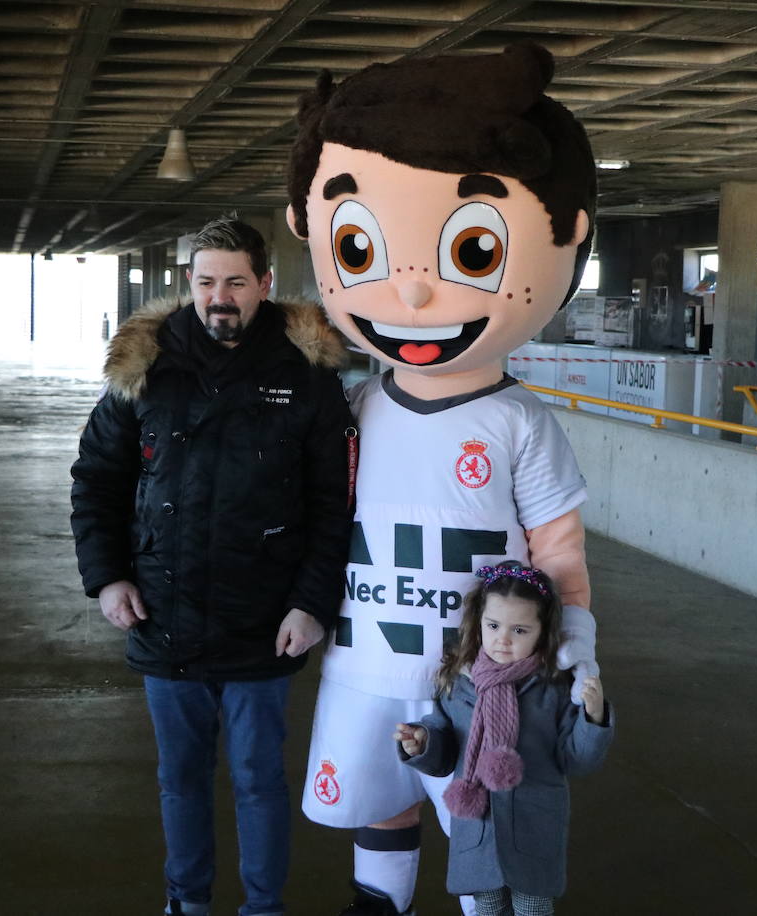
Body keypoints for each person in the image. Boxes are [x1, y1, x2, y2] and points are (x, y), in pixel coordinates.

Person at [284, 42, 602, 916]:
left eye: (468, 249)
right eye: (360, 245)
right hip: (363, 661)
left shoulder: (522, 421)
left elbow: (559, 548)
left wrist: (573, 646)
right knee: (376, 814)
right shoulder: (352, 405)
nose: (413, 296)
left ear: (569, 237)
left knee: (480, 832)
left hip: (479, 680)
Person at [69, 213, 354, 916]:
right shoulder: (144, 370)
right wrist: (107, 577)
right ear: (188, 284)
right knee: (180, 779)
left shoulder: (307, 378)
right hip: (164, 615)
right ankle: (187, 903)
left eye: (234, 281)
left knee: (259, 778)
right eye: (204, 282)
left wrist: (312, 603)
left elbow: (333, 505)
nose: (218, 296)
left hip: (266, 622)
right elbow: (96, 478)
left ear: (263, 283)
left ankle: (263, 907)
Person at [394, 563, 613, 916]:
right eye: (493, 625)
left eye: (520, 630)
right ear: (478, 621)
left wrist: (594, 716)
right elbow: (445, 751)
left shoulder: (553, 687)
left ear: (543, 632)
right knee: (488, 906)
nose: (503, 639)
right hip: (478, 827)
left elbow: (578, 760)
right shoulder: (457, 680)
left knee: (533, 907)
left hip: (534, 825)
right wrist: (422, 743)